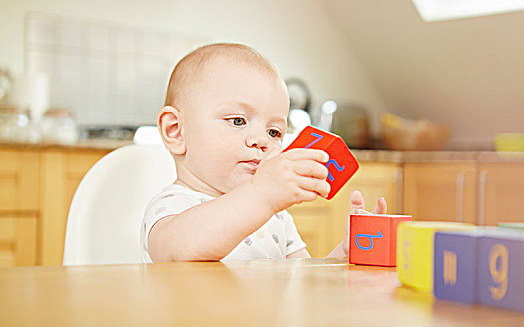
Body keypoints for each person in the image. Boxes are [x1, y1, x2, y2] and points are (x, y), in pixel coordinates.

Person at [141, 43, 387, 262]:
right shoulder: (171, 207)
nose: (261, 141)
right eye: (238, 121)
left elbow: (304, 284)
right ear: (176, 131)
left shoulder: (276, 217)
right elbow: (180, 251)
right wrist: (262, 195)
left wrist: (346, 254)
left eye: (274, 132)